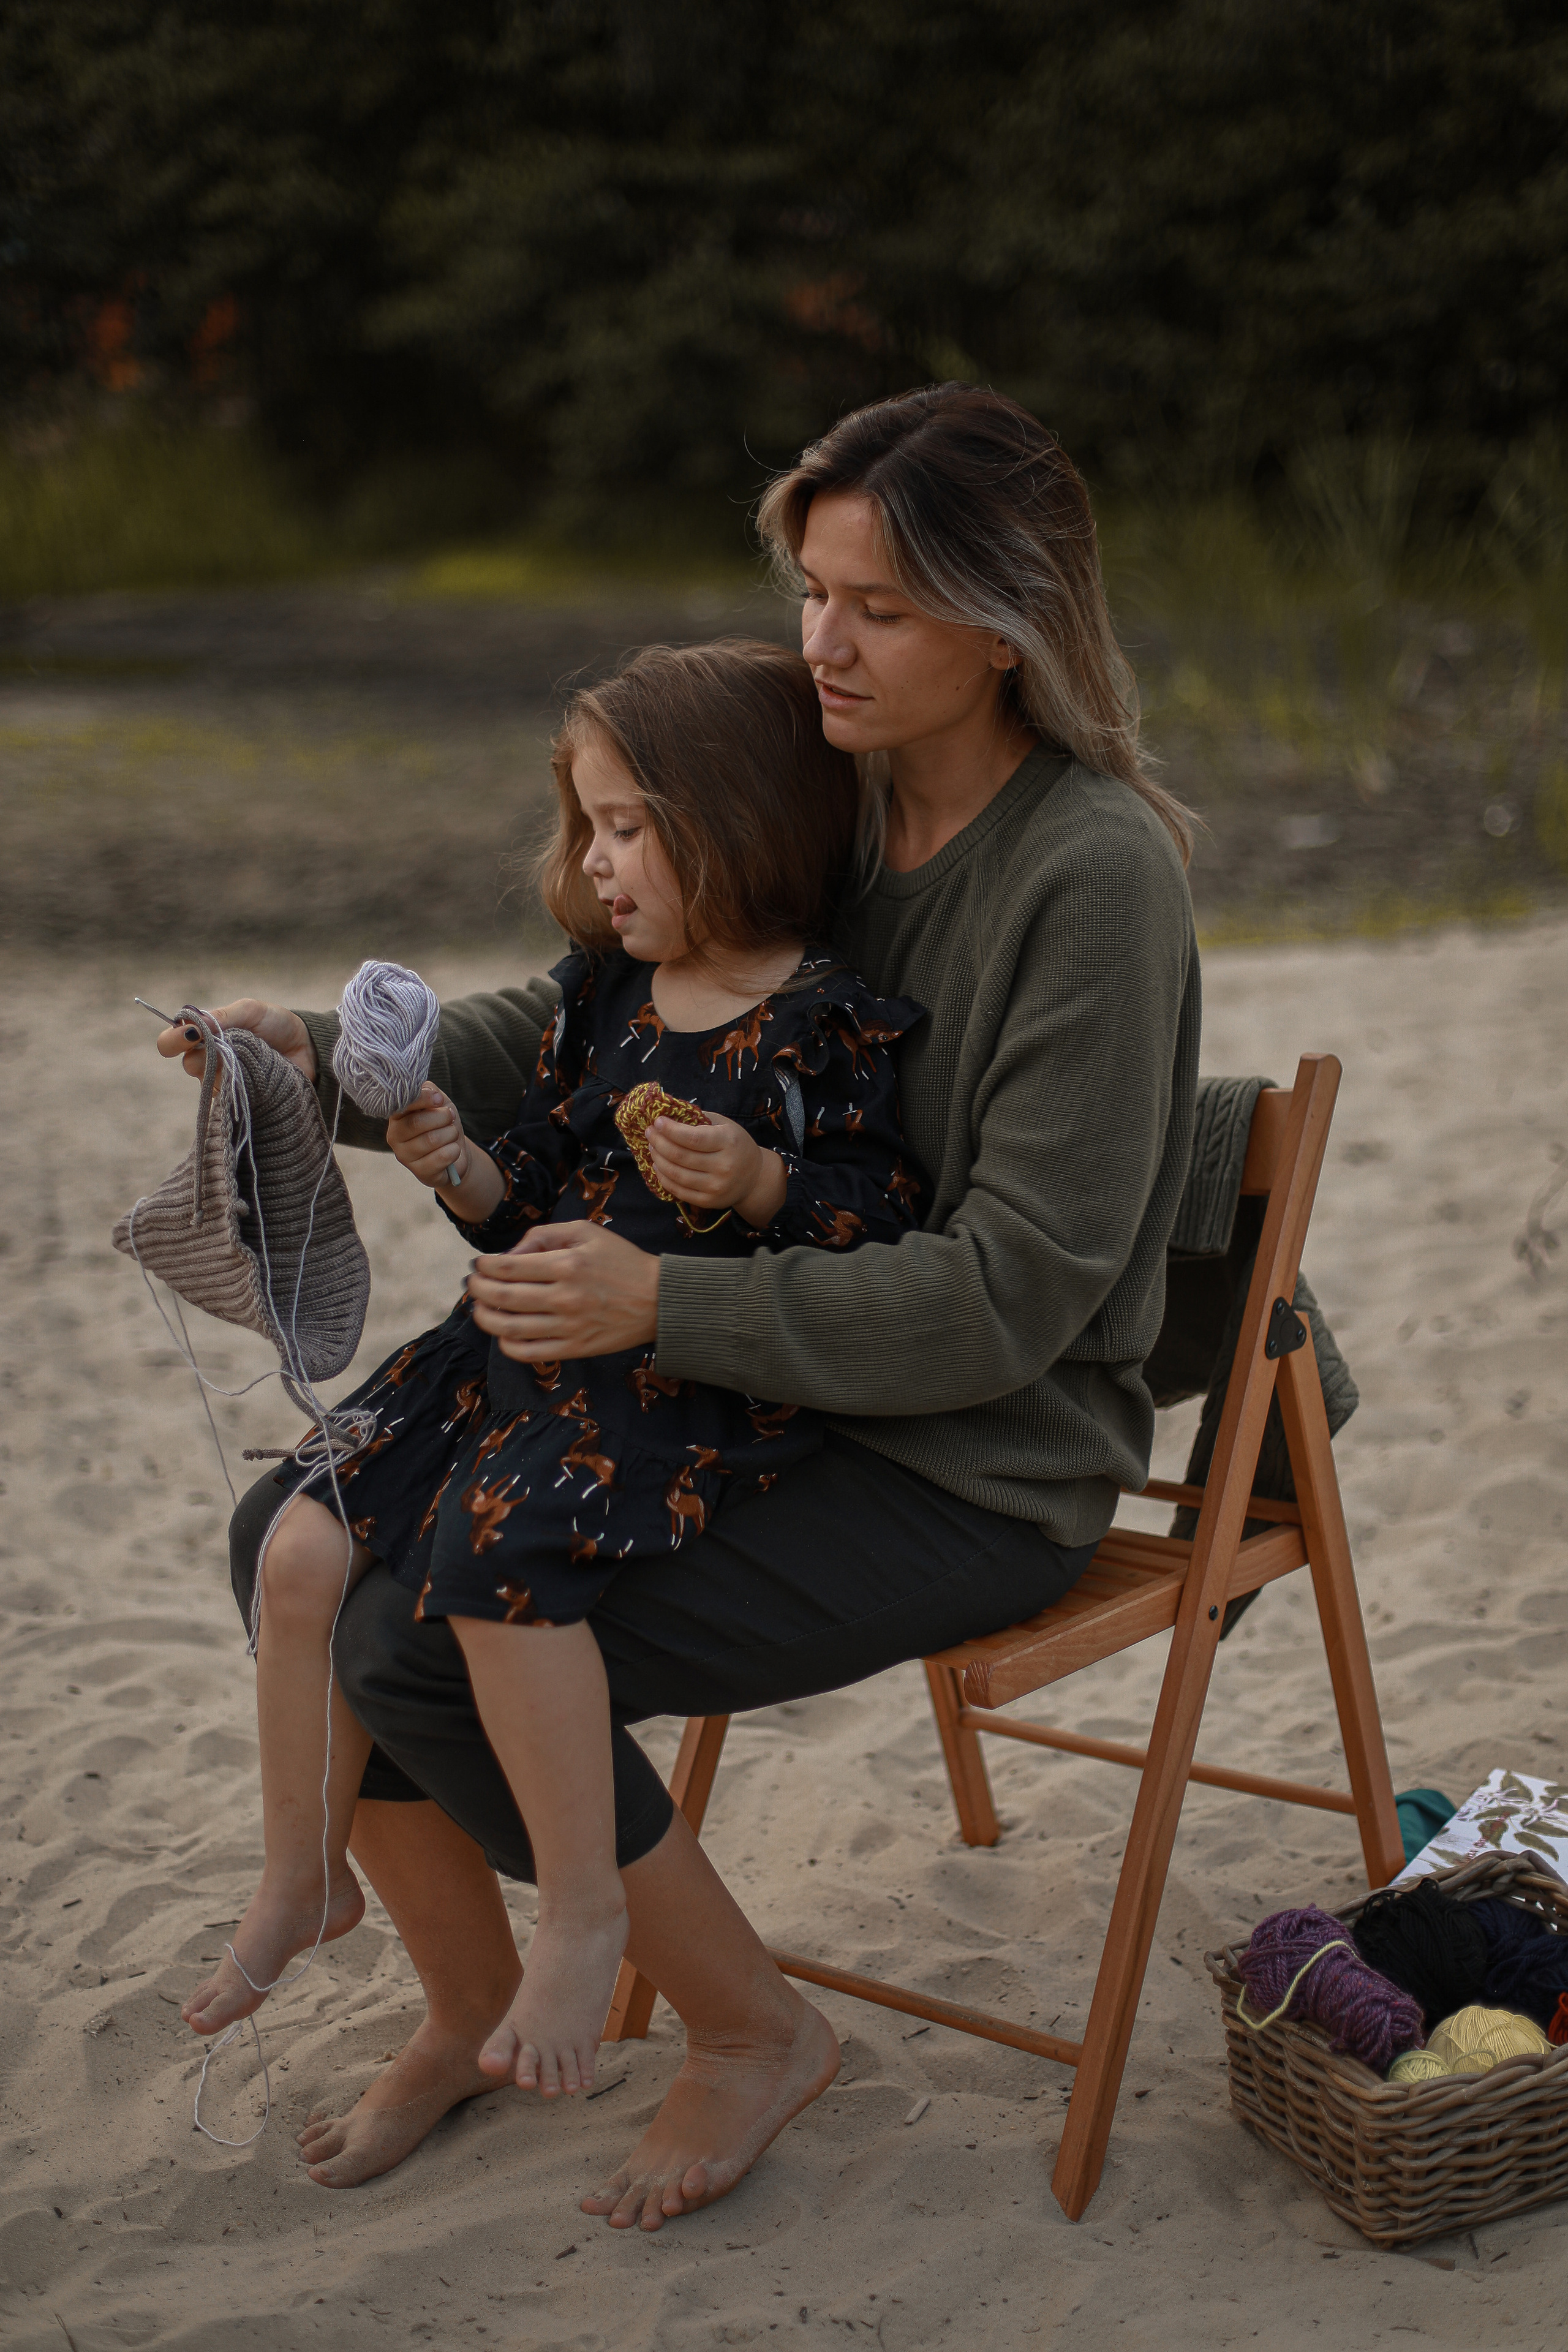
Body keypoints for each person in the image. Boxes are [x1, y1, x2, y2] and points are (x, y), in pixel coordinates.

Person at [161, 382, 1201, 2231]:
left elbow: (1015, 1295)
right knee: (290, 1537)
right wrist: (312, 1053)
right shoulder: (834, 787)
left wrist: (662, 1309)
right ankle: (467, 1998)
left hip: (972, 1453)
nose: (821, 643)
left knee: (415, 1636)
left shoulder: (1091, 878)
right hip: (751, 1391)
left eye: (875, 606)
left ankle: (747, 2033)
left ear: (1009, 616)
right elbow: (594, 1006)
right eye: (812, 590)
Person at [178, 641, 924, 2106]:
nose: (595, 861)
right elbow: (540, 1200)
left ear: (746, 824)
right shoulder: (604, 995)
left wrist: (767, 1184)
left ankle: (582, 1908)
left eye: (628, 825)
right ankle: (302, 1874)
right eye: (588, 825)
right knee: (298, 1536)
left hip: (668, 1371)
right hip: (512, 1343)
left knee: (489, 1558)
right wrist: (462, 1167)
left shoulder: (823, 1024)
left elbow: (879, 1221)